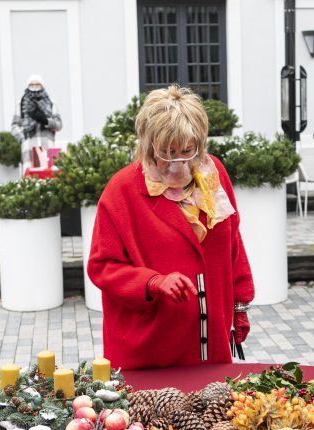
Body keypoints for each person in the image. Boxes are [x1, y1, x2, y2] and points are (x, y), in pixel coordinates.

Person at [88, 85, 254, 370]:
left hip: (208, 343)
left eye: (187, 152)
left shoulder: (213, 175)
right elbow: (102, 266)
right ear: (148, 145)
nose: (178, 165)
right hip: (148, 348)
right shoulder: (123, 189)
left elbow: (233, 243)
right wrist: (153, 282)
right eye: (166, 153)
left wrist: (240, 305)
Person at [11, 74, 62, 170]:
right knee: (30, 178)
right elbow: (14, 126)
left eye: (37, 84)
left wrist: (46, 121)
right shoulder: (21, 103)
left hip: (47, 146)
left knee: (48, 176)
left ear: (42, 86)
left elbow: (59, 125)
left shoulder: (51, 102)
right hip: (28, 148)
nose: (34, 87)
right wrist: (23, 138)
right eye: (32, 84)